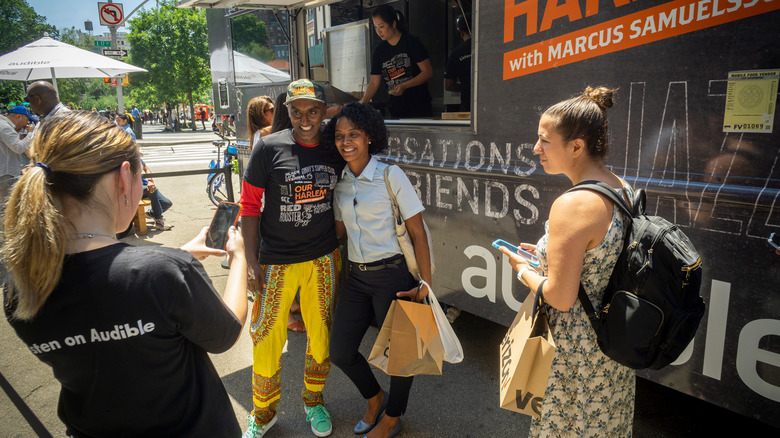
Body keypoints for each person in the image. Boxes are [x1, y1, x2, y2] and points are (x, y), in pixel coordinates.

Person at [2, 111, 248, 437]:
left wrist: (178, 259)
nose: (144, 186)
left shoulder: (20, 287)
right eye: (141, 178)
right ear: (122, 177)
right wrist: (240, 258)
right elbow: (225, 333)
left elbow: (113, 291)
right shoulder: (163, 273)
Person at [499, 86, 635, 437]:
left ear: (577, 146)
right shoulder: (622, 187)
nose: (536, 149)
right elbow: (598, 261)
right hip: (612, 344)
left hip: (575, 353)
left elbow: (561, 297)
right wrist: (548, 256)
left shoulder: (572, 204)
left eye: (545, 140)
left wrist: (525, 270)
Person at [239, 79, 345, 438]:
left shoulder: (334, 149)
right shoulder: (268, 148)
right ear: (288, 112)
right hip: (276, 261)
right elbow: (250, 207)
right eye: (297, 111)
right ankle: (263, 413)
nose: (305, 118)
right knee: (266, 338)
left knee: (321, 336)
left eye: (312, 110)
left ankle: (313, 401)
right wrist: (251, 262)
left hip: (323, 259)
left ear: (323, 111)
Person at [323, 102, 431, 438]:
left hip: (393, 277)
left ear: (369, 136)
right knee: (339, 351)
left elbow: (418, 232)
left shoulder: (390, 175)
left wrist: (426, 283)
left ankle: (392, 416)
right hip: (356, 278)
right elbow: (337, 233)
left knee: (401, 355)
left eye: (353, 133)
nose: (346, 141)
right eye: (340, 136)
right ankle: (375, 397)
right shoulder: (339, 182)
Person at [359, 5, 433, 118]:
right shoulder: (379, 51)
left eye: (381, 26)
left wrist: (404, 86)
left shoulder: (411, 43)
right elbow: (374, 83)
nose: (378, 31)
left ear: (393, 24)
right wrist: (361, 103)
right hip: (396, 111)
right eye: (375, 27)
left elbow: (427, 72)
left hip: (420, 109)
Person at [0, 105, 34, 205]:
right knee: (9, 208)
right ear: (19, 117)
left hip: (6, 174)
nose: (27, 124)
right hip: (6, 176)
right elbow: (18, 148)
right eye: (27, 120)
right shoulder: (5, 127)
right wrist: (31, 133)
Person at [22, 81, 69, 153]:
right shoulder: (43, 120)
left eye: (28, 100)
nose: (29, 105)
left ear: (37, 99)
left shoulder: (68, 120)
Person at [444, 13, 472, 112]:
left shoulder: (456, 54)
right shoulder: (489, 48)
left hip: (468, 106)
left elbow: (448, 85)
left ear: (461, 32)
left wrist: (465, 87)